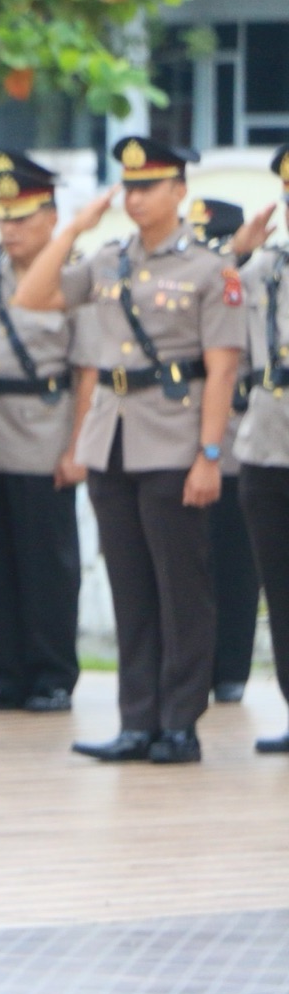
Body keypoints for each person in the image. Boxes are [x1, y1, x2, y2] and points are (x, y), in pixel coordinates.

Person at [13, 137, 245, 764]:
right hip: (111, 438)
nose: (135, 197)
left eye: (149, 186)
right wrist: (71, 229)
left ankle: (179, 723)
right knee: (131, 589)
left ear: (178, 192)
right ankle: (136, 720)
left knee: (181, 589)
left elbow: (221, 372)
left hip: (174, 439)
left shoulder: (209, 270)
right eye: (130, 186)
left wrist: (210, 455)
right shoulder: (110, 260)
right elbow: (31, 297)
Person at [0, 151, 94, 715]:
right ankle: (7, 673)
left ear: (51, 218)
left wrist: (77, 446)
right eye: (4, 218)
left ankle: (52, 674)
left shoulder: (74, 276)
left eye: (23, 219)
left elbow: (87, 370)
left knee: (47, 561)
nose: (10, 230)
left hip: (43, 428)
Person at [184, 197, 263, 707]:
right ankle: (195, 664)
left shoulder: (255, 281)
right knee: (194, 561)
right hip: (191, 439)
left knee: (236, 562)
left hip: (241, 438)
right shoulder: (197, 283)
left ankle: (230, 667)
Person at [237, 146, 288, 753]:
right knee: (280, 591)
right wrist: (240, 248)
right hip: (267, 449)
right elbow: (204, 290)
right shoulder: (263, 267)